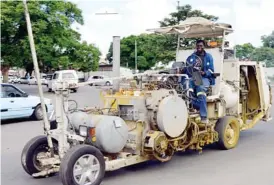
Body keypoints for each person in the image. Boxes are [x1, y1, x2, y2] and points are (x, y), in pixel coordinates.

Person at [182, 40, 215, 124]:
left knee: (200, 88)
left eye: (201, 45)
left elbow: (211, 70)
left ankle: (203, 116)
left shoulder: (208, 57)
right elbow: (187, 68)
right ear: (196, 46)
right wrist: (183, 70)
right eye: (198, 46)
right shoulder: (192, 57)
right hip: (194, 77)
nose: (199, 47)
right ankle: (190, 107)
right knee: (186, 86)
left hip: (204, 78)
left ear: (204, 46)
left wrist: (204, 72)